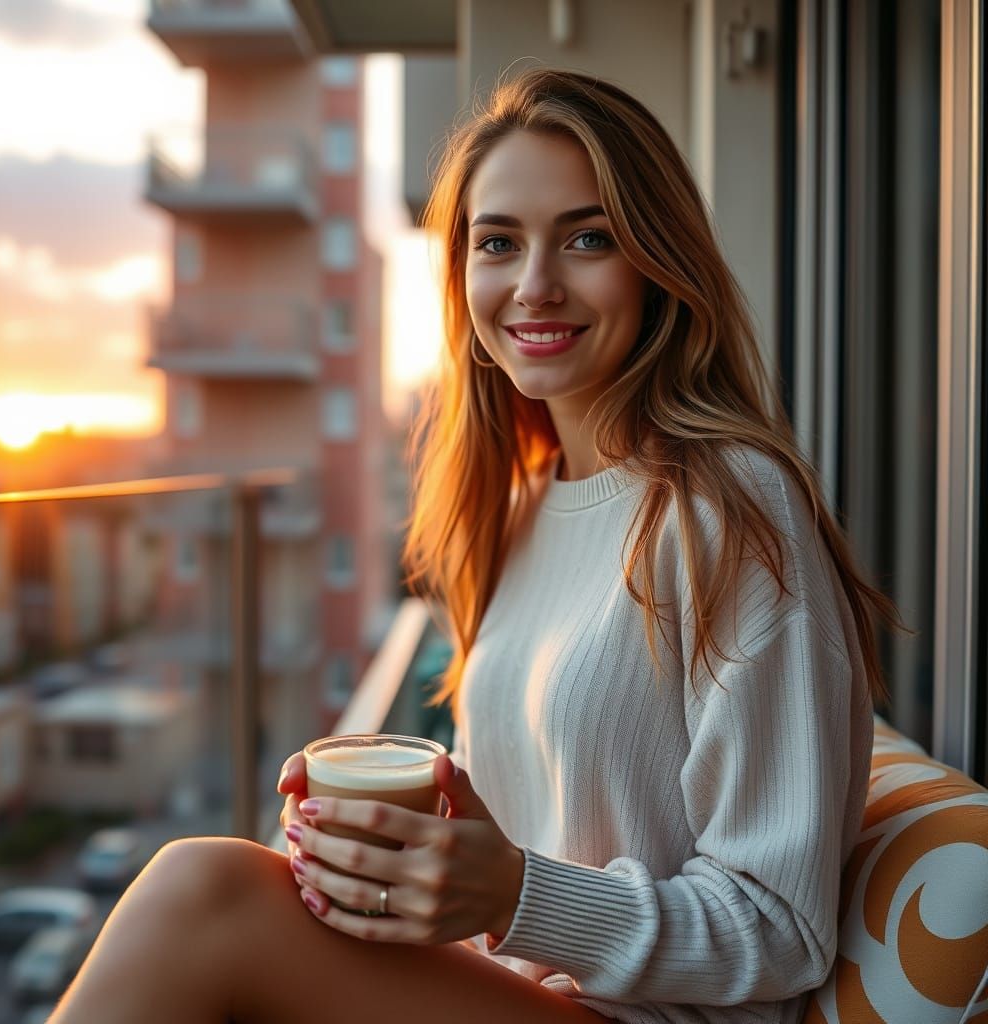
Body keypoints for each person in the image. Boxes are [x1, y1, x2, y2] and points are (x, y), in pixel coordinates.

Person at [49, 67, 906, 1024]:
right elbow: (536, 849)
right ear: (462, 275)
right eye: (498, 242)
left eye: (588, 237)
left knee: (201, 895)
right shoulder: (527, 504)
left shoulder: (729, 506)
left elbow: (782, 929)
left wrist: (513, 895)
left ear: (659, 261)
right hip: (517, 992)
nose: (535, 285)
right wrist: (419, 865)